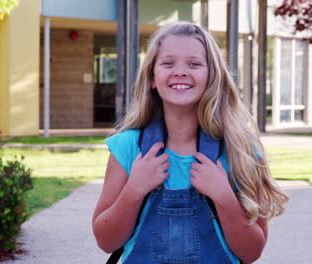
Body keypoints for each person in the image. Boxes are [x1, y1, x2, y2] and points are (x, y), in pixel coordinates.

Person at [92, 22, 288, 264]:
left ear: (212, 76)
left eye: (194, 64)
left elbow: (251, 253)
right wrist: (134, 190)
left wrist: (224, 197)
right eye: (168, 63)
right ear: (152, 77)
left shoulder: (240, 150)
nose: (180, 71)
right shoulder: (129, 147)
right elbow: (106, 242)